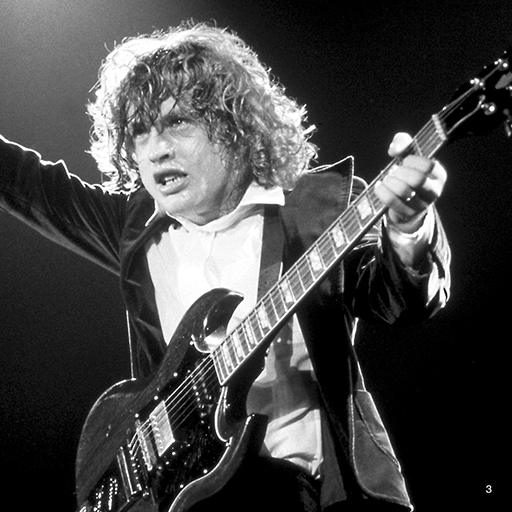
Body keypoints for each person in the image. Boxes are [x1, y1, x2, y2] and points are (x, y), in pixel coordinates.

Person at [0, 22, 450, 512]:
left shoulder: (318, 209)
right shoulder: (136, 229)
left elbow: (399, 301)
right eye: (139, 132)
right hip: (192, 496)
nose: (156, 149)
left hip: (310, 492)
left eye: (177, 122)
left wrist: (408, 225)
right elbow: (26, 184)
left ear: (234, 126)